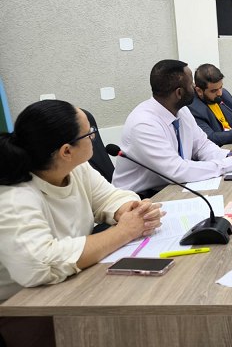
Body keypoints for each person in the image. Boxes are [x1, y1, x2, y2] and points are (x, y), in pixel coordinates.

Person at [0, 100, 163, 346]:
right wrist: (125, 231)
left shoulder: (76, 168)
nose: (94, 137)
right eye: (90, 133)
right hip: (26, 309)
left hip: (74, 284)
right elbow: (39, 265)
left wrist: (131, 211)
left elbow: (109, 196)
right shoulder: (14, 197)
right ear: (66, 151)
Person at [112, 60, 232, 197]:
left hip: (172, 188)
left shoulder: (181, 111)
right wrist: (230, 162)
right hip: (139, 198)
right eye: (191, 84)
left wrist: (230, 156)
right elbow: (177, 171)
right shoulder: (144, 124)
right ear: (179, 93)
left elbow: (201, 146)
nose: (195, 87)